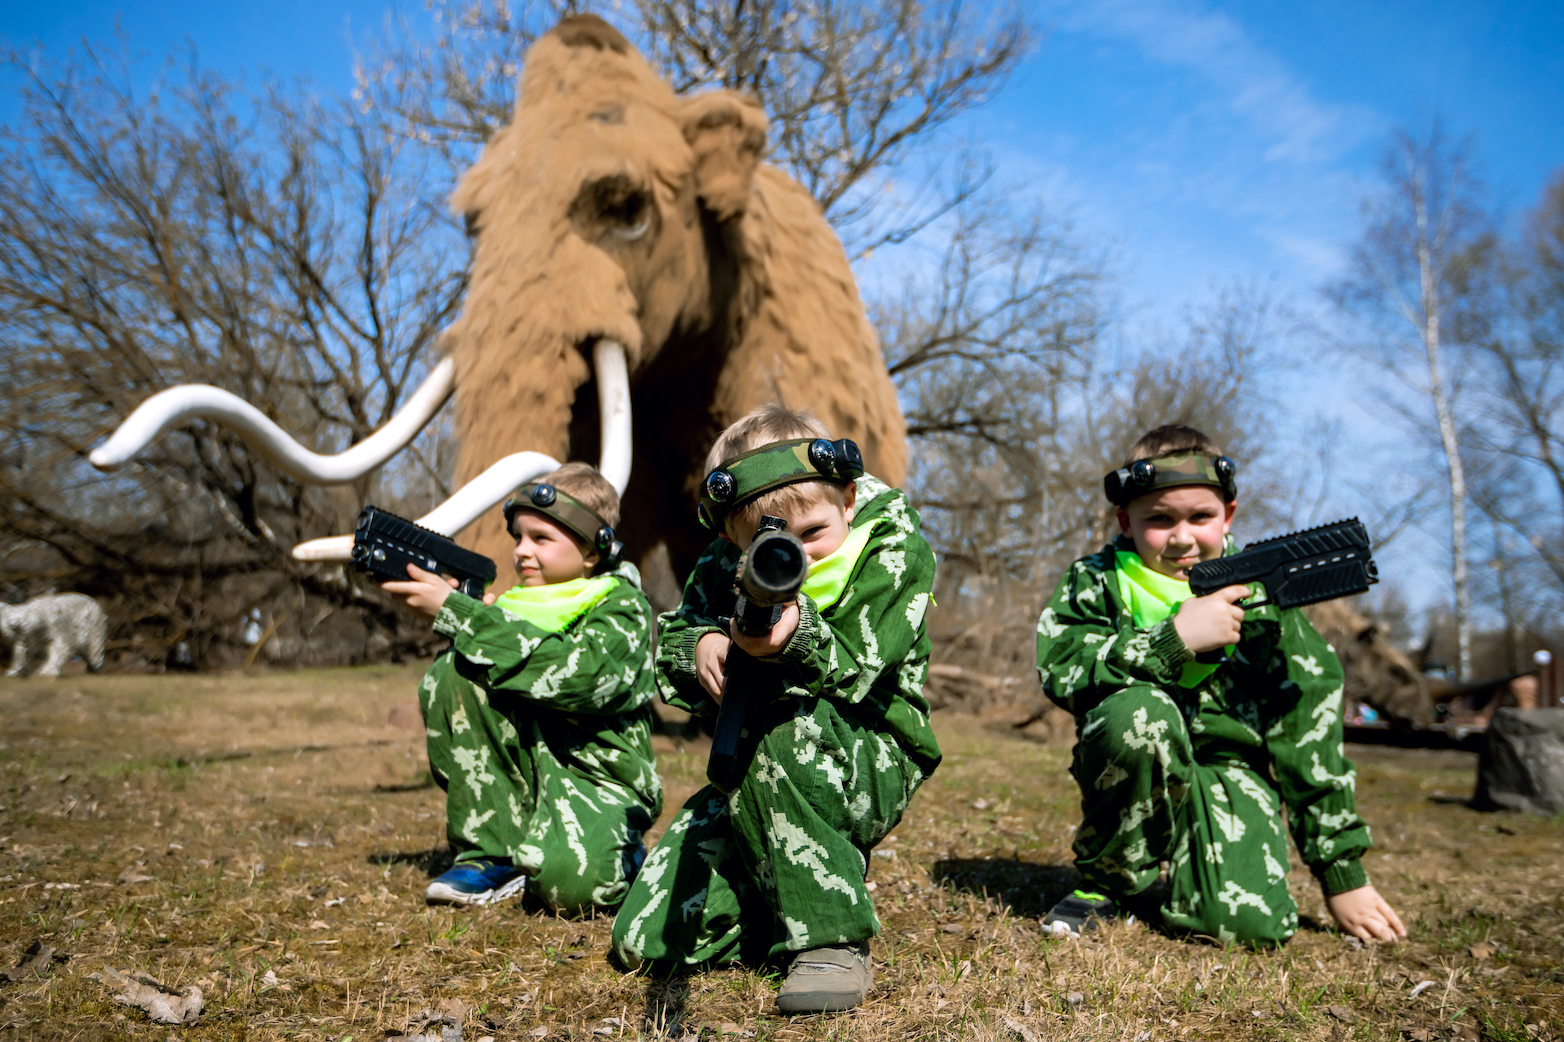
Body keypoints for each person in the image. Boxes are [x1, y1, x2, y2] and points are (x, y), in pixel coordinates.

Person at [610, 405, 941, 1013]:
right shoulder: (718, 564)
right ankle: (807, 882)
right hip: (754, 776)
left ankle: (834, 941)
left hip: (870, 753)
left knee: (779, 721)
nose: (797, 557)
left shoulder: (892, 548)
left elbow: (861, 665)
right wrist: (704, 646)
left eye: (812, 532)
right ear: (729, 538)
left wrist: (794, 639)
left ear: (847, 498)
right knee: (645, 939)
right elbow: (675, 643)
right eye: (764, 542)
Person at [1035, 424, 1406, 948]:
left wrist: (1341, 873)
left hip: (1228, 768)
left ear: (1228, 515)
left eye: (1200, 517)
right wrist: (1170, 641)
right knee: (1137, 717)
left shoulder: (1260, 593)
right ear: (1126, 520)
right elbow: (1061, 668)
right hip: (1138, 762)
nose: (1182, 537)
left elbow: (1307, 725)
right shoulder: (1097, 580)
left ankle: (1194, 871)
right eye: (1158, 520)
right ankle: (1110, 881)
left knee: (1247, 926)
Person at [381, 462, 662, 914]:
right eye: (518, 537)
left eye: (541, 539)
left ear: (592, 552)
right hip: (528, 771)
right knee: (456, 670)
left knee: (570, 891)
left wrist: (464, 617)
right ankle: (492, 852)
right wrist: (474, 623)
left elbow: (580, 678)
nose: (521, 552)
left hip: (594, 778)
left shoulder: (621, 607)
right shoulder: (514, 608)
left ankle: (623, 855)